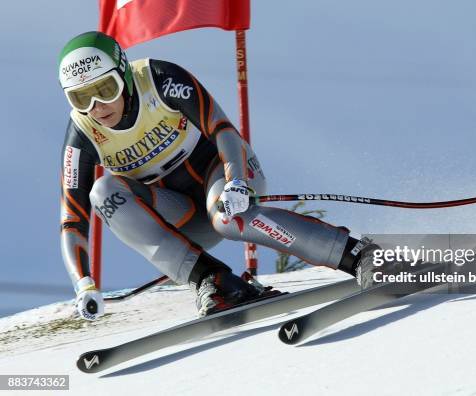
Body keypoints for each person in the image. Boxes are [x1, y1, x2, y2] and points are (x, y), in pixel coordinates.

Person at [59, 31, 375, 321]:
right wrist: (83, 283)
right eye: (81, 98)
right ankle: (213, 279)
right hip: (181, 216)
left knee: (228, 217)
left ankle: (357, 255)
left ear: (124, 74)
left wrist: (236, 181)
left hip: (224, 173)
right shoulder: (83, 134)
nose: (97, 107)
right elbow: (72, 219)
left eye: (105, 89)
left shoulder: (158, 79)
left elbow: (221, 129)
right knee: (103, 191)